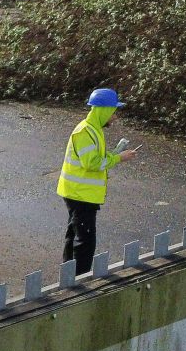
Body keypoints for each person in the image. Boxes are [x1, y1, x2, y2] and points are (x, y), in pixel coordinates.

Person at [56, 88, 138, 274]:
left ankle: (68, 277)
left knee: (75, 235)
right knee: (85, 241)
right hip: (80, 194)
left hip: (79, 192)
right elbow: (91, 163)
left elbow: (95, 158)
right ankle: (78, 280)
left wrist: (115, 155)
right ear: (104, 110)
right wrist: (119, 158)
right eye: (114, 111)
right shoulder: (86, 131)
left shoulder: (93, 130)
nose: (115, 117)